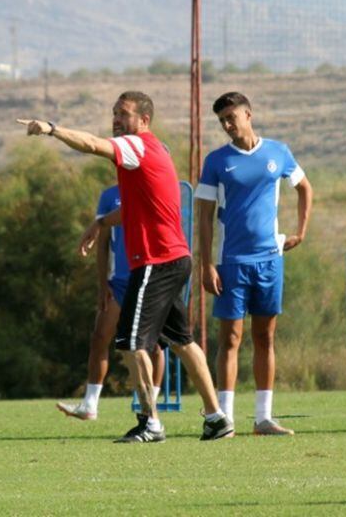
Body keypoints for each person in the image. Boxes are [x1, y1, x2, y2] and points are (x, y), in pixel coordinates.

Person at [18, 90, 233, 443]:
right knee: (183, 342)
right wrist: (102, 223)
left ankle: (151, 424)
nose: (116, 119)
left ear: (143, 120)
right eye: (115, 113)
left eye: (124, 113)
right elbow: (140, 206)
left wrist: (52, 129)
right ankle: (216, 418)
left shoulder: (136, 146)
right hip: (174, 259)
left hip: (156, 262)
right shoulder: (155, 149)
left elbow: (91, 144)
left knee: (131, 343)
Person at [196, 91, 312, 436]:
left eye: (231, 118)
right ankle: (225, 418)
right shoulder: (216, 161)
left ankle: (263, 418)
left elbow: (304, 188)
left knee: (265, 337)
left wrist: (301, 232)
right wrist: (206, 264)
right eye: (222, 121)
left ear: (248, 115)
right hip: (231, 261)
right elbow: (204, 216)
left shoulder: (278, 152)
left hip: (270, 260)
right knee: (231, 338)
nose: (227, 125)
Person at [56, 185, 165, 421]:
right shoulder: (109, 195)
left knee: (154, 345)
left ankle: (150, 406)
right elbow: (103, 241)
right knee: (100, 336)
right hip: (119, 282)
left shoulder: (153, 188)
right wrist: (102, 283)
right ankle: (89, 405)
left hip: (150, 278)